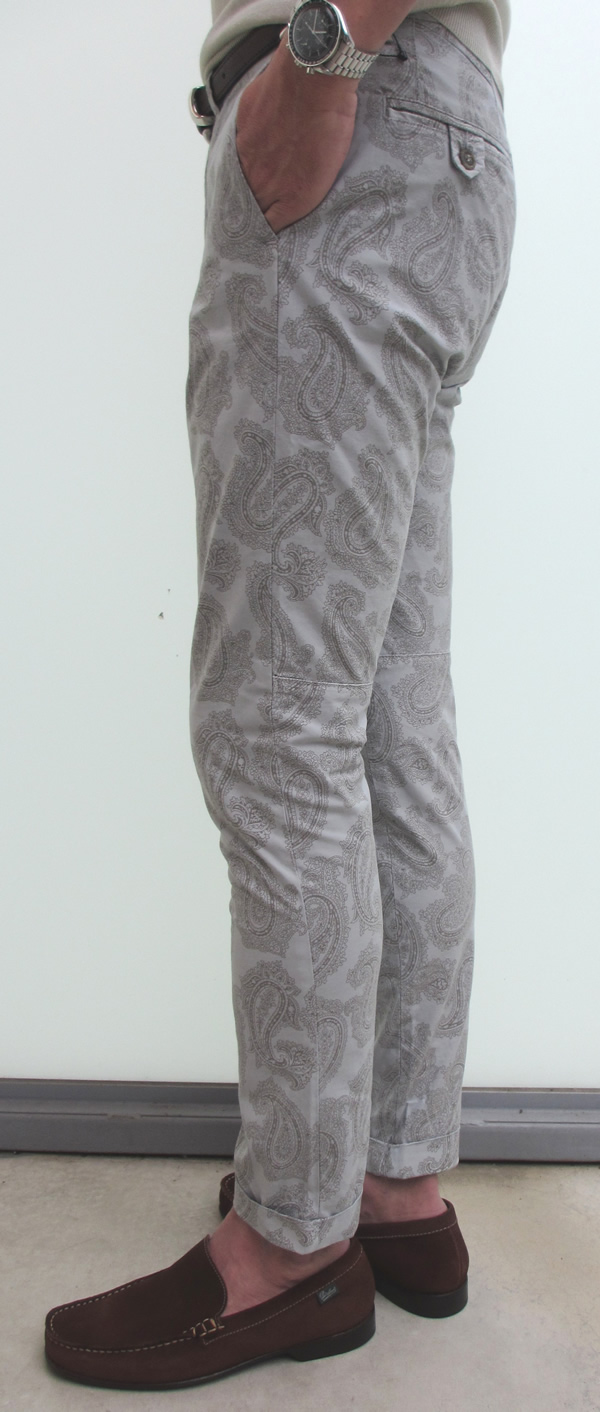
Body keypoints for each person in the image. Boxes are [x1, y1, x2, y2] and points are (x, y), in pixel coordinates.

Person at [44, 0, 516, 1391]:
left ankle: (294, 1243)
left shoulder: (334, 71)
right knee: (385, 726)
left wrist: (322, 53)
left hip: (355, 123)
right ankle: (392, 1188)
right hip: (444, 145)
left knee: (280, 734)